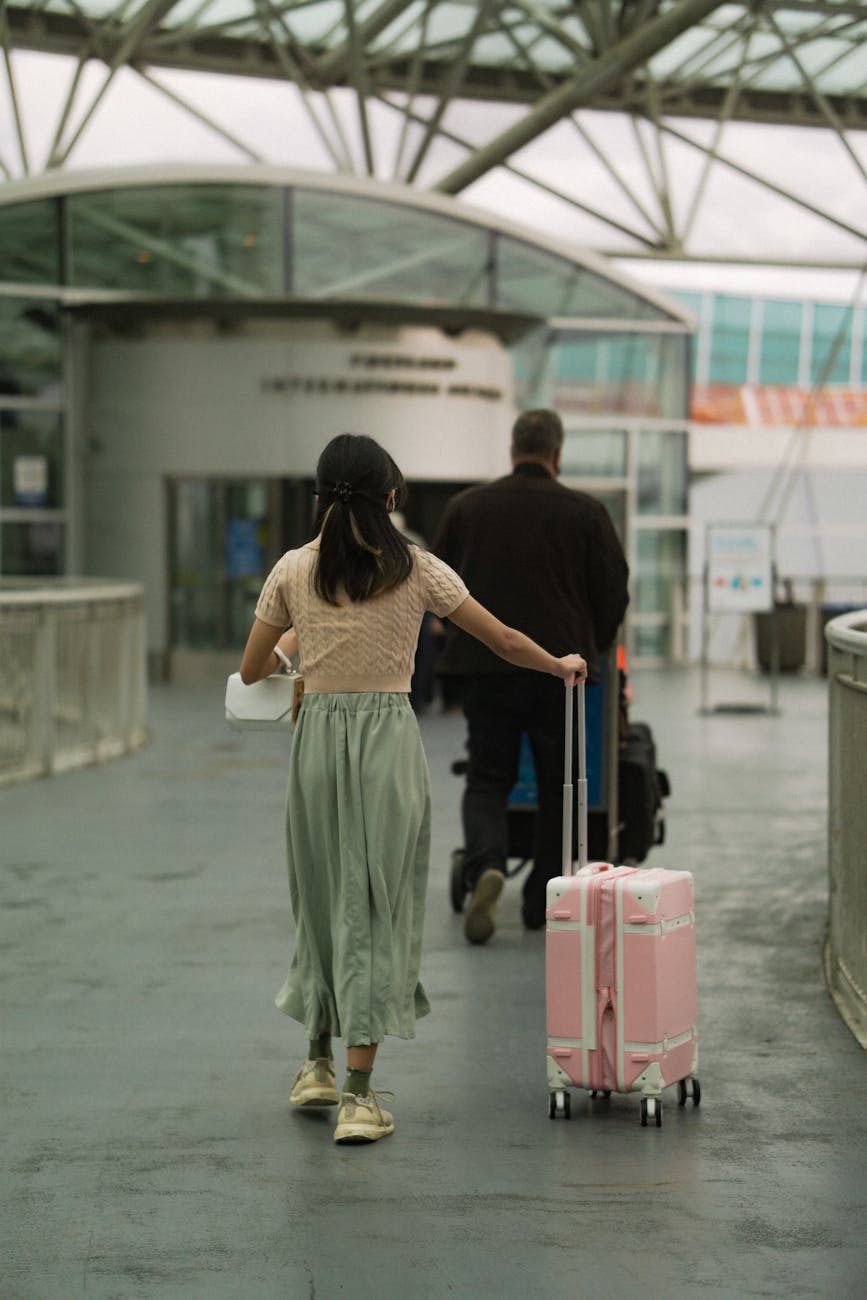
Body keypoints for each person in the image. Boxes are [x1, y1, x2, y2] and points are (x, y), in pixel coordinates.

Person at [239, 433, 587, 1145]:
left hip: (316, 745)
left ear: (317, 498)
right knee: (376, 902)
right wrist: (559, 664)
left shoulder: (291, 569)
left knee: (322, 894)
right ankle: (360, 1100)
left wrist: (302, 647)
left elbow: (252, 670)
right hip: (386, 745)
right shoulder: (418, 571)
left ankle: (316, 1062)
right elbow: (503, 641)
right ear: (390, 498)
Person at [432, 408, 629, 944]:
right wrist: (596, 644)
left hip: (484, 665)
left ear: (512, 450)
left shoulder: (466, 509)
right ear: (557, 454)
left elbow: (437, 585)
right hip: (558, 672)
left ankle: (488, 865)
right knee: (557, 783)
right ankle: (543, 897)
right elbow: (614, 591)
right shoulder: (586, 513)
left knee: (487, 777)